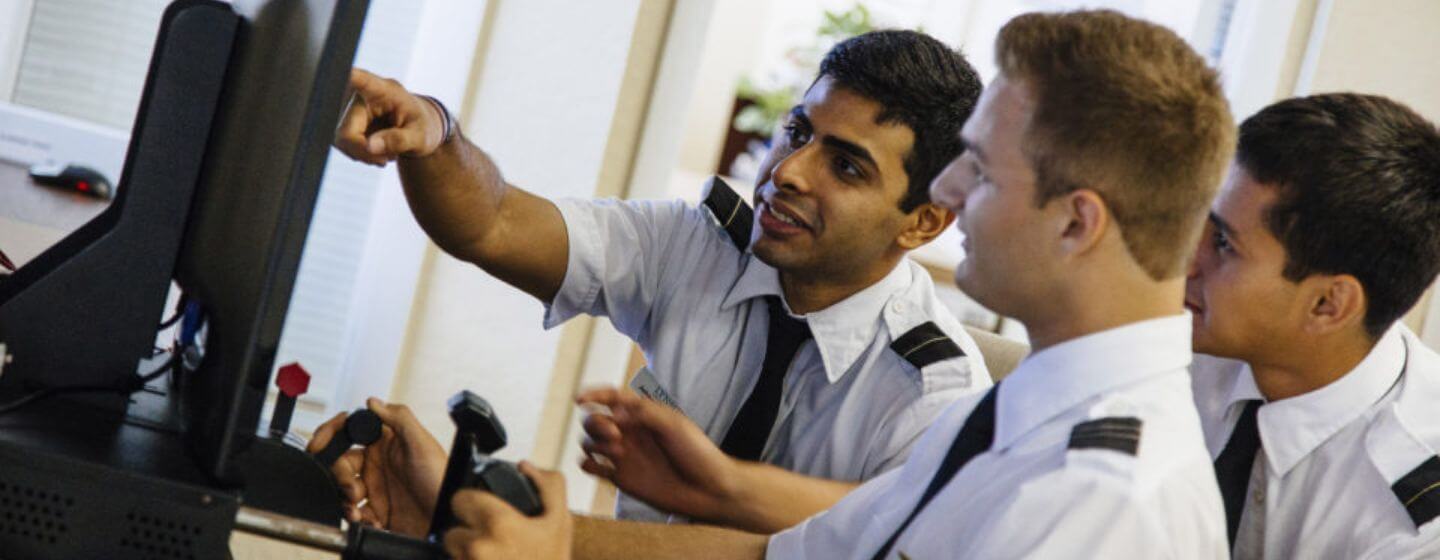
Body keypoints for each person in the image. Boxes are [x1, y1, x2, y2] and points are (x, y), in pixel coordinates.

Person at [449, 9, 1237, 559]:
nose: (951, 191)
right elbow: (807, 552)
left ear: (1077, 223)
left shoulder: (1100, 496)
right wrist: (503, 520)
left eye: (983, 169)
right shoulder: (1034, 407)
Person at [313, 29, 990, 534]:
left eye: (846, 167)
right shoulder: (698, 244)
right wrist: (434, 132)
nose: (788, 171)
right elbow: (491, 224)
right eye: (796, 132)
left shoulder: (934, 396)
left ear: (922, 223)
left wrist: (497, 524)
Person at [1186, 93, 1440, 558]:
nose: (1185, 260)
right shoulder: (1179, 341)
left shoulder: (1419, 519)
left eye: (1223, 242)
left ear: (1328, 304)